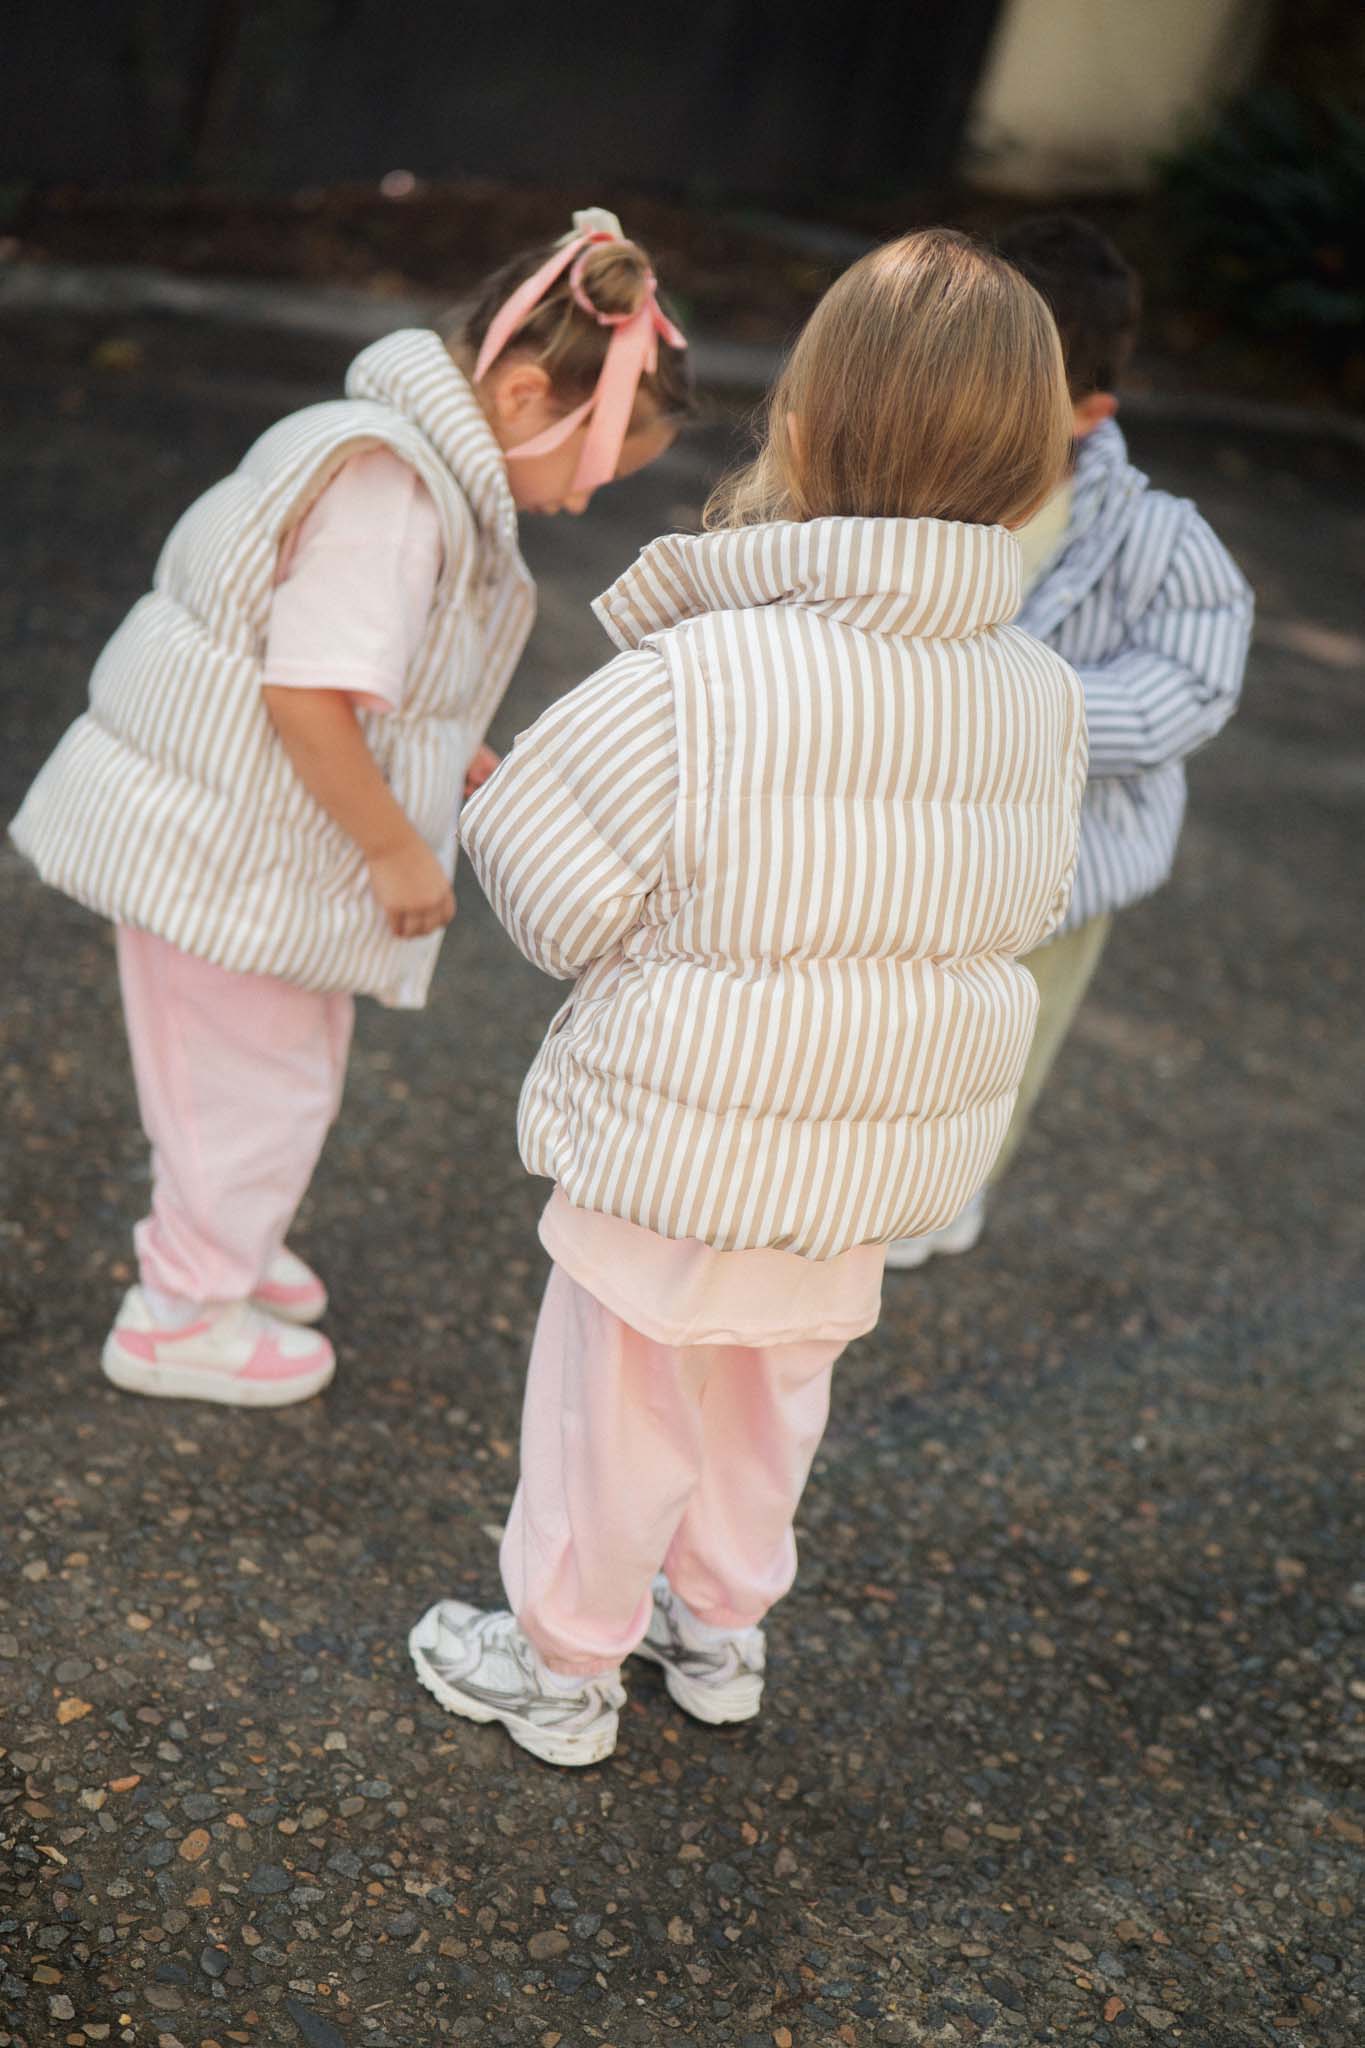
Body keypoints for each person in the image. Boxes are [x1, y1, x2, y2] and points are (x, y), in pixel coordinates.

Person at [408, 228, 1089, 1766]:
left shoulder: (706, 669)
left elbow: (553, 882)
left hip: (682, 1137)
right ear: (1033, 465)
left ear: (802, 424)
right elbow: (1028, 904)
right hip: (863, 1156)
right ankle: (717, 1633)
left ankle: (561, 1664)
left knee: (619, 1405)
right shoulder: (1037, 692)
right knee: (769, 1403)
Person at [9, 208, 689, 1406]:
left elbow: (361, 669)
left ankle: (221, 1247)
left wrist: (449, 753)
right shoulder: (397, 494)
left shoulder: (391, 453)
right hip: (224, 848)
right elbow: (309, 693)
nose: (583, 504)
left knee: (272, 1071)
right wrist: (397, 850)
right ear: (526, 396)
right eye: (592, 473)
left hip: (244, 837)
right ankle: (181, 1309)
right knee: (245, 1083)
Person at [885, 213, 1253, 1270]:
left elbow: (1189, 684)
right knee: (885, 1015)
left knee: (1005, 1035)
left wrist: (1030, 707)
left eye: (1010, 401)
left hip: (1057, 866)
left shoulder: (1158, 540)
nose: (973, 424)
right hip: (906, 838)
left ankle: (946, 1189)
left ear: (1090, 413)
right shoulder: (911, 489)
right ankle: (849, 1156)